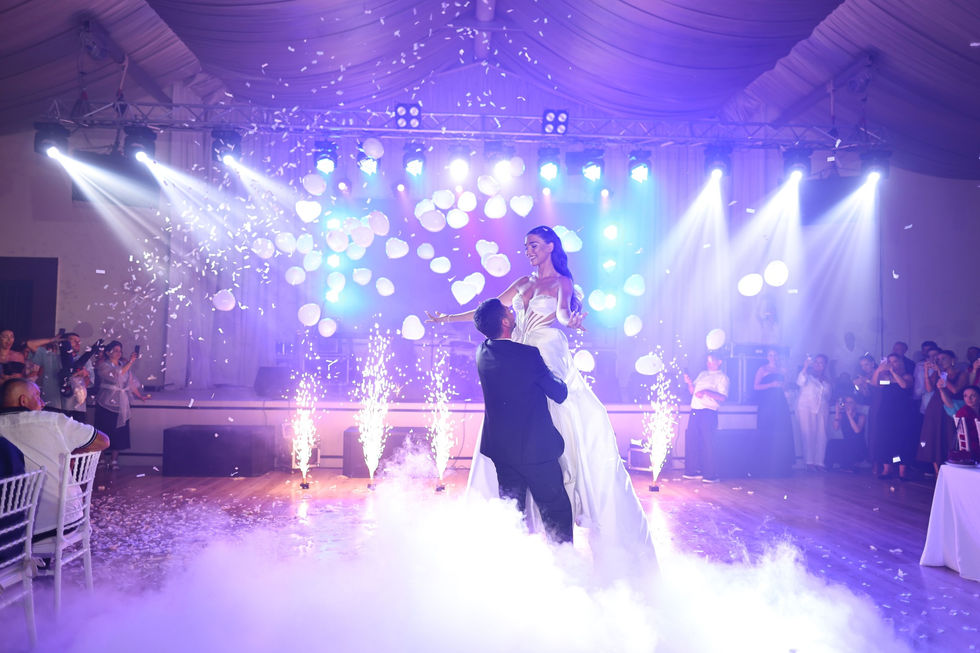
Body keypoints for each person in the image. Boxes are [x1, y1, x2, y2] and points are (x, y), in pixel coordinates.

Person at [426, 225, 656, 569]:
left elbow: (562, 314)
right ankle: (529, 514)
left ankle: (563, 478)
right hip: (519, 347)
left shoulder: (562, 283)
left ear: (551, 246)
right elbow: (486, 310)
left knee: (560, 411)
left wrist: (573, 322)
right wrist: (449, 318)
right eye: (526, 246)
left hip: (545, 347)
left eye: (533, 245)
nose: (529, 250)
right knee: (521, 413)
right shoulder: (522, 283)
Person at [471, 298, 573, 543]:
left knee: (512, 512)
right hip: (535, 450)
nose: (512, 309)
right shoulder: (527, 354)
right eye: (508, 310)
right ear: (506, 321)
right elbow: (558, 393)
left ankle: (513, 563)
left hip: (502, 451)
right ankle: (566, 565)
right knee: (554, 509)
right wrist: (563, 372)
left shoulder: (482, 352)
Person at [0, 379, 108, 540]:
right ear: (23, 400)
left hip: (12, 531)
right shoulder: (52, 421)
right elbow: (103, 441)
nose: (42, 403)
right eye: (37, 396)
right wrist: (71, 452)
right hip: (66, 520)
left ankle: (28, 563)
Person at [95, 341, 150, 470]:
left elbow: (130, 382)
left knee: (119, 431)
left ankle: (114, 460)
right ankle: (102, 458)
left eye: (120, 350)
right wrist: (130, 362)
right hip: (106, 402)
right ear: (108, 352)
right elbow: (115, 376)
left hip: (121, 403)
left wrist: (139, 395)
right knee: (104, 429)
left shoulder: (123, 365)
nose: (119, 353)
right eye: (116, 350)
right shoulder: (103, 366)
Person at [682, 353, 729, 483]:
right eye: (707, 362)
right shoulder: (703, 374)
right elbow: (693, 391)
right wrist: (689, 383)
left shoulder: (722, 378)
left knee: (709, 443)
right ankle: (692, 471)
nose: (709, 364)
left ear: (719, 362)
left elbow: (723, 397)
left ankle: (710, 474)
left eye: (711, 361)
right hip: (695, 410)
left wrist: (706, 392)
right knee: (692, 440)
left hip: (709, 412)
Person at [869, 353, 916, 479]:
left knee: (901, 439)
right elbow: (874, 383)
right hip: (886, 411)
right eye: (890, 361)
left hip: (901, 412)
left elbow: (904, 385)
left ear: (900, 363)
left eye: (894, 361)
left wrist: (892, 372)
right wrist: (879, 369)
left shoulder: (907, 376)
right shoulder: (886, 378)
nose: (892, 363)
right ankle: (887, 469)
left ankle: (902, 471)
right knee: (885, 439)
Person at [917, 350, 961, 473]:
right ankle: (937, 474)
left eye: (943, 358)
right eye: (938, 359)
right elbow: (929, 388)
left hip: (950, 406)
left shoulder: (961, 373)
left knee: (948, 436)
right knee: (933, 437)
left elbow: (955, 390)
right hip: (935, 407)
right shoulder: (937, 373)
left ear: (953, 360)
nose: (940, 361)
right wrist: (926, 371)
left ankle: (951, 471)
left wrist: (939, 371)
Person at [753, 348, 794, 476]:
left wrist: (783, 385)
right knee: (767, 429)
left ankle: (781, 463)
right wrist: (771, 384)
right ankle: (764, 463)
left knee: (782, 430)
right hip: (766, 402)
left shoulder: (783, 370)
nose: (773, 357)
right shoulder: (762, 369)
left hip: (780, 402)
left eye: (775, 355)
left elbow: (787, 386)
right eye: (770, 355)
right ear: (767, 356)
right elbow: (756, 386)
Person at [796, 354, 832, 471]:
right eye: (816, 362)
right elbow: (800, 382)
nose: (818, 365)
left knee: (822, 435)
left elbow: (828, 396)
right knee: (808, 434)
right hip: (806, 408)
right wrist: (805, 367)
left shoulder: (827, 380)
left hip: (822, 409)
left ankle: (819, 462)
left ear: (825, 365)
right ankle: (809, 462)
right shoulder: (807, 376)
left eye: (821, 363)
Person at [937, 382, 980, 462]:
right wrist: (941, 389)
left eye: (972, 396)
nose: (968, 399)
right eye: (965, 396)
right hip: (973, 445)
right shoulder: (964, 411)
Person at [827, 396, 867, 471]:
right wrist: (837, 412)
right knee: (831, 443)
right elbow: (835, 428)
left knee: (850, 446)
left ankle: (853, 464)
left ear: (855, 404)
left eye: (850, 402)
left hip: (858, 445)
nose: (848, 405)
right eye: (846, 402)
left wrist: (849, 415)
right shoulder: (842, 415)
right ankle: (830, 467)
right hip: (847, 442)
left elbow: (857, 431)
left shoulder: (861, 416)